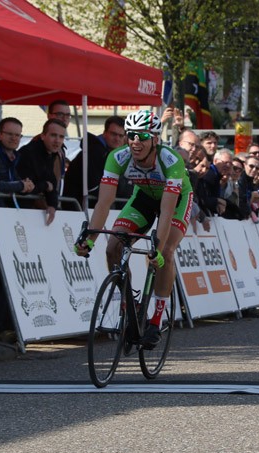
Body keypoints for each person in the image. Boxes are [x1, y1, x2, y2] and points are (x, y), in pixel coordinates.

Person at [74, 110, 193, 348]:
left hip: (176, 201)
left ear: (155, 139)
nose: (135, 142)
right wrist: (90, 239)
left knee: (165, 253)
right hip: (144, 199)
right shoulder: (117, 157)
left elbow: (167, 211)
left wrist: (156, 248)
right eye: (131, 136)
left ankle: (156, 320)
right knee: (113, 247)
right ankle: (130, 302)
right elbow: (104, 203)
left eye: (142, 136)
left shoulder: (171, 160)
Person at [64, 115, 128, 209]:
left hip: (86, 209)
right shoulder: (94, 152)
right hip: (78, 211)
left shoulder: (106, 153)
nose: (117, 139)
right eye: (113, 134)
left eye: (121, 135)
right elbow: (93, 187)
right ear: (104, 133)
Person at [16, 119, 67, 225]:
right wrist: (46, 185)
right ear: (43, 136)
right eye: (53, 135)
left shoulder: (51, 154)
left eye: (61, 137)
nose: (57, 140)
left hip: (29, 210)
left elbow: (51, 182)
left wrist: (52, 205)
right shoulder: (30, 153)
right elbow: (28, 187)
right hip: (18, 210)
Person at [0, 117, 35, 205]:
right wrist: (21, 185)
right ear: (0, 135)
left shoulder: (17, 156)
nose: (14, 138)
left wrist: (28, 186)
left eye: (17, 135)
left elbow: (15, 182)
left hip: (11, 210)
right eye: (10, 134)